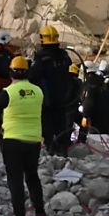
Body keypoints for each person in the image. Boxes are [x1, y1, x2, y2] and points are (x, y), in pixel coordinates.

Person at [0, 56, 52, 216]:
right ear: (27, 72)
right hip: (33, 141)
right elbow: (44, 113)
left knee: (15, 180)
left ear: (10, 72)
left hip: (12, 141)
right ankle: (41, 214)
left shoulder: (8, 92)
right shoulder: (38, 91)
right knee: (32, 177)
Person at [28, 25, 73, 155]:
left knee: (47, 126)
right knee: (61, 125)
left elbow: (32, 77)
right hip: (63, 98)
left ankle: (50, 149)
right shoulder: (64, 56)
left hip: (46, 100)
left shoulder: (41, 57)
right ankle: (63, 150)